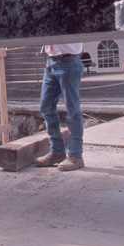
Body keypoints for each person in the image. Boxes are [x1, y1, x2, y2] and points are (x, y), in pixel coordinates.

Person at [33, 43, 85, 171]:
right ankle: (57, 152)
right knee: (46, 107)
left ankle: (75, 155)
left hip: (68, 60)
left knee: (72, 110)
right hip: (51, 62)